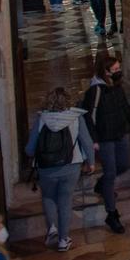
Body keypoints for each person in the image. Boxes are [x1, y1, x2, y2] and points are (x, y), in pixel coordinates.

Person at [80, 54, 130, 234]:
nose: (119, 72)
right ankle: (112, 214)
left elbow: (125, 108)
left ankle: (102, 184)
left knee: (124, 165)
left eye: (119, 68)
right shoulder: (95, 91)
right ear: (106, 72)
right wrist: (93, 140)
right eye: (116, 69)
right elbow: (88, 117)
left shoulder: (117, 87)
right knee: (110, 173)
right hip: (104, 138)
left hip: (120, 133)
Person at [24, 86, 94, 251]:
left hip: (46, 168)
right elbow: (87, 143)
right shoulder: (76, 118)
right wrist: (90, 162)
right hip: (71, 166)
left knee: (48, 197)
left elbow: (30, 148)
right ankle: (63, 240)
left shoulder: (42, 119)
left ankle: (52, 228)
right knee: (65, 201)